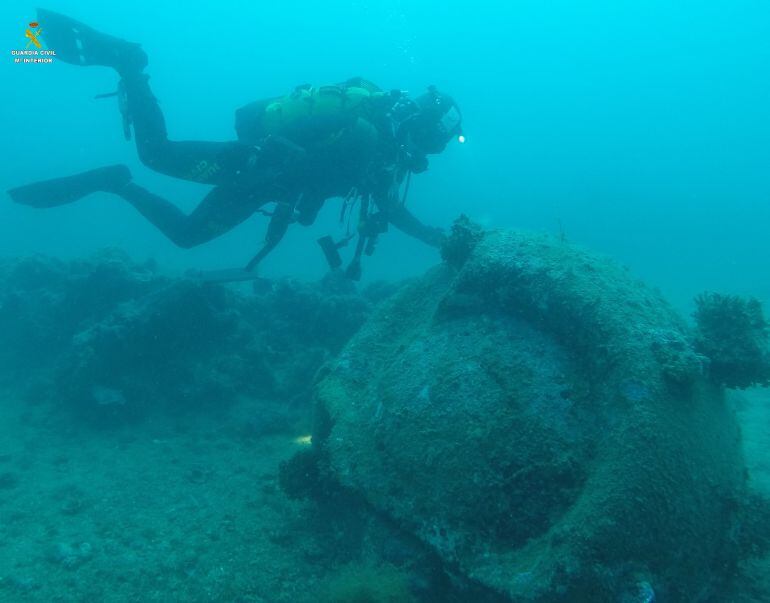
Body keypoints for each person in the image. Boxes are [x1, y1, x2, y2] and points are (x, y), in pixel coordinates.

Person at [7, 10, 464, 280]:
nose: (424, 157)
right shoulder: (365, 131)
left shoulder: (381, 156)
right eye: (430, 145)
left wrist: (441, 241)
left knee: (185, 232)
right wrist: (280, 159)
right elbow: (300, 138)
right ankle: (129, 66)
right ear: (420, 132)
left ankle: (116, 181)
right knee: (158, 159)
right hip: (247, 167)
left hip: (259, 185)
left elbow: (391, 210)